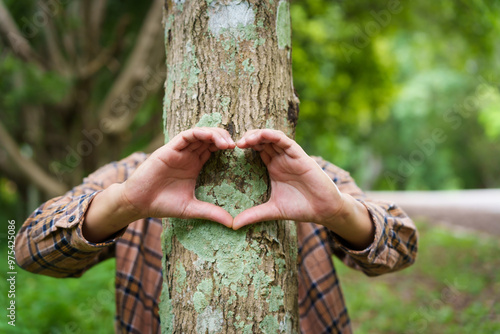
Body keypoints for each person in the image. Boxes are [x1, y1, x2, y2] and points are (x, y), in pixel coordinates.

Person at [15, 128, 418, 334]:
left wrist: (337, 212)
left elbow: (401, 246)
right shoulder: (132, 175)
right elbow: (30, 248)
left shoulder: (304, 174)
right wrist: (126, 204)